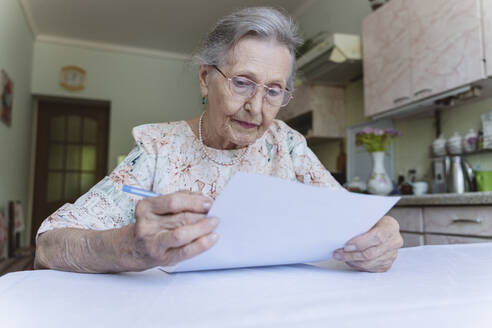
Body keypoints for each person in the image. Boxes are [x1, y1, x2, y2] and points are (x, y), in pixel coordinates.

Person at [34, 7, 403, 274]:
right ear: (204, 79)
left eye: (274, 90)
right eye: (242, 82)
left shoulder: (287, 145)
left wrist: (383, 233)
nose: (256, 108)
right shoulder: (159, 147)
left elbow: (353, 220)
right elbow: (49, 245)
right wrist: (131, 247)